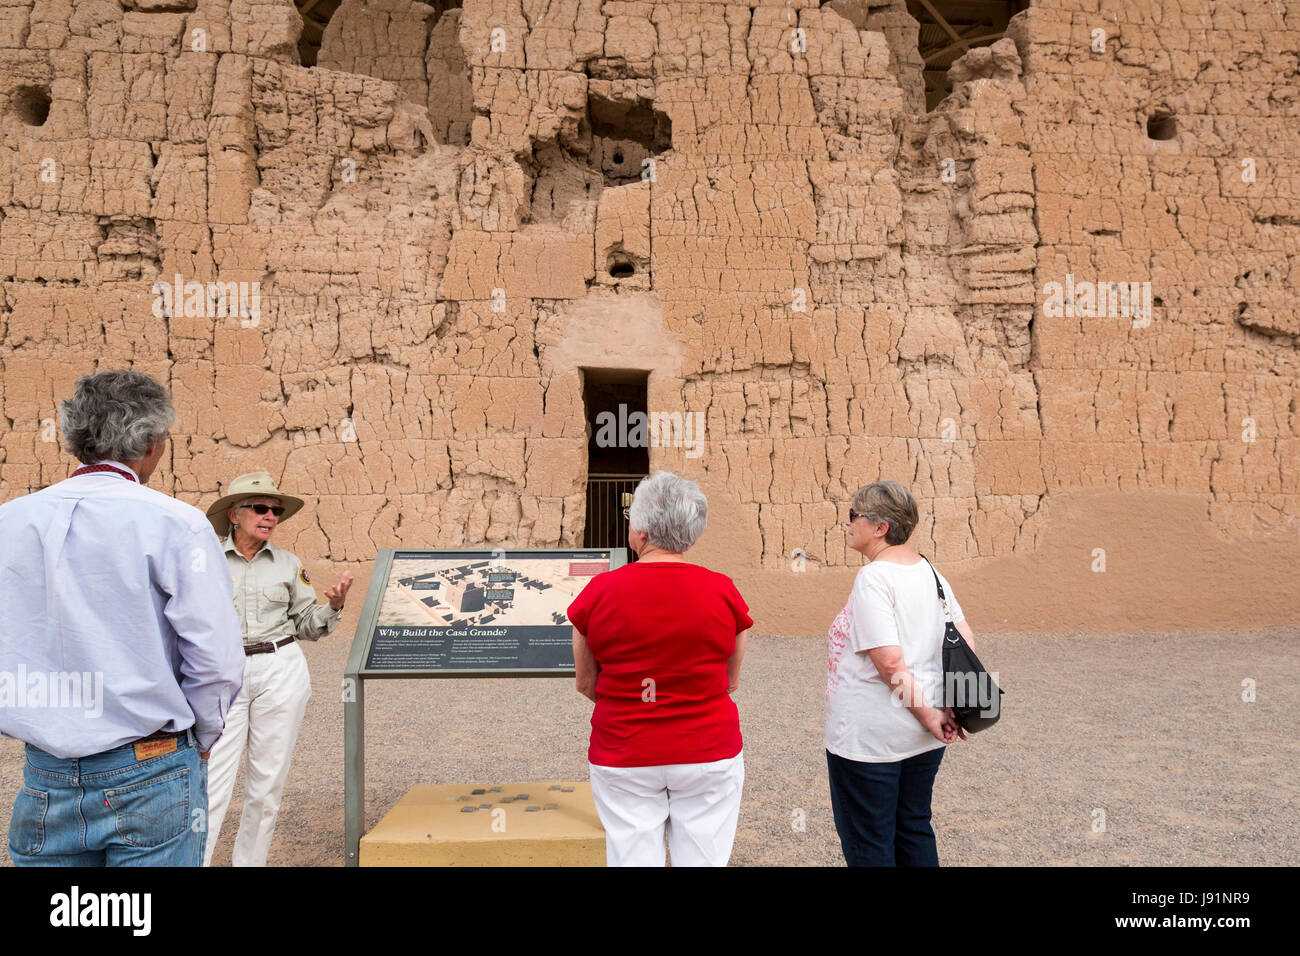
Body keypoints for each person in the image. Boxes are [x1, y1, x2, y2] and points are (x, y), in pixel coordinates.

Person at [0, 370, 245, 866]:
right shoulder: (175, 524)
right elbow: (216, 661)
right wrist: (201, 739)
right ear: (152, 442)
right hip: (149, 766)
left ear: (76, 438)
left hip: (45, 775)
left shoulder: (10, 521)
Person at [568, 470, 751, 867]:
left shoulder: (600, 592)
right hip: (707, 747)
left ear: (641, 533)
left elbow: (586, 682)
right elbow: (730, 679)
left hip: (624, 748)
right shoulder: (722, 590)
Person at [202, 471, 352, 866]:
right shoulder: (205, 562)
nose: (270, 515)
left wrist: (332, 607)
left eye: (276, 510)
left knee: (266, 785)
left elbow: (305, 623)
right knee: (210, 782)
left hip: (280, 667)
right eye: (261, 508)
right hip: (224, 673)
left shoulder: (288, 564)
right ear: (234, 515)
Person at [824, 479, 976, 867]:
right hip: (924, 738)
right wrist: (949, 713)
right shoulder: (931, 572)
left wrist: (928, 715)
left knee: (869, 840)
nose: (847, 523)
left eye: (853, 516)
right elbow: (966, 639)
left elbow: (889, 663)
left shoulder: (874, 578)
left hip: (873, 742)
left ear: (880, 528)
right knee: (913, 827)